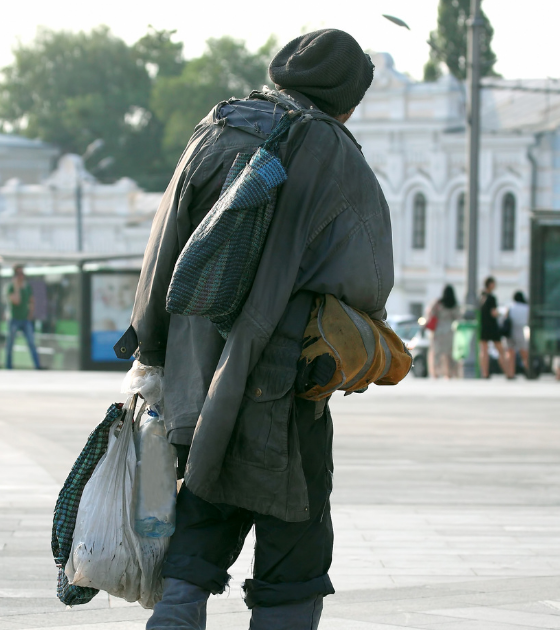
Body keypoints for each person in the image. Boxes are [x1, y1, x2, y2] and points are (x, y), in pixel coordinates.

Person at [121, 30, 388, 629]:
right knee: (294, 536)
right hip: (285, 373)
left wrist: (153, 346)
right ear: (346, 95)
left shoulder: (215, 128)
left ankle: (173, 620)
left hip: (195, 369)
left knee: (206, 501)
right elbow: (368, 280)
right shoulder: (332, 150)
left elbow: (163, 251)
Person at [5, 264, 41, 370]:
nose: (21, 276)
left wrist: (30, 314)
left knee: (31, 343)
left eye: (22, 273)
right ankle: (8, 366)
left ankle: (37, 366)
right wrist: (16, 287)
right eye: (18, 274)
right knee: (10, 344)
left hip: (25, 320)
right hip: (14, 319)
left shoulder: (27, 286)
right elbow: (17, 301)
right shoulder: (11, 287)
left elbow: (32, 301)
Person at [478, 277, 514, 379]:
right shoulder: (491, 298)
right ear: (490, 284)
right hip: (492, 327)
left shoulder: (480, 296)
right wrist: (502, 313)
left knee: (484, 351)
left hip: (483, 327)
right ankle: (508, 373)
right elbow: (493, 313)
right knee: (501, 351)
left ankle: (485, 373)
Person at [426, 286, 460, 379]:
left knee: (437, 352)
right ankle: (449, 373)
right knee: (450, 353)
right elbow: (458, 317)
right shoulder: (454, 304)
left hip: (438, 330)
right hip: (450, 330)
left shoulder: (438, 303)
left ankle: (436, 373)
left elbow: (431, 313)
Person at [507, 291, 530, 376]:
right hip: (521, 329)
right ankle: (528, 370)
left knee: (510, 353)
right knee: (524, 352)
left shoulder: (511, 307)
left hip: (510, 330)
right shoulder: (526, 307)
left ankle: (510, 373)